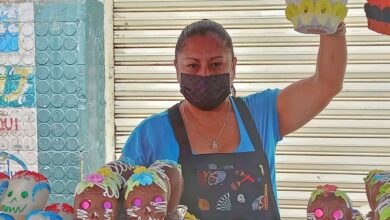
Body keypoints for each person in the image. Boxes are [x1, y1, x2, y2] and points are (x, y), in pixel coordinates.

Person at [120, 19, 347, 219]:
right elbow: (123, 204)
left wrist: (330, 24)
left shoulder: (262, 114)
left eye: (216, 64)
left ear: (233, 67)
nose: (205, 74)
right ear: (177, 69)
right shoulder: (151, 134)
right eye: (193, 65)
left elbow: (327, 83)